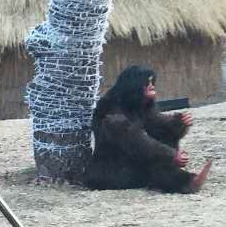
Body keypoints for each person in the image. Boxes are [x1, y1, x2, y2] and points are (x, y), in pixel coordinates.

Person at [84, 65, 212, 194]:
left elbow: (157, 124)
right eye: (147, 83)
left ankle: (184, 181)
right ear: (135, 86)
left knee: (164, 139)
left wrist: (178, 123)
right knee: (156, 161)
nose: (152, 86)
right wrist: (171, 155)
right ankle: (185, 182)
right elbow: (135, 139)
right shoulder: (110, 110)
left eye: (152, 82)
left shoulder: (138, 103)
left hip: (129, 161)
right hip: (111, 173)